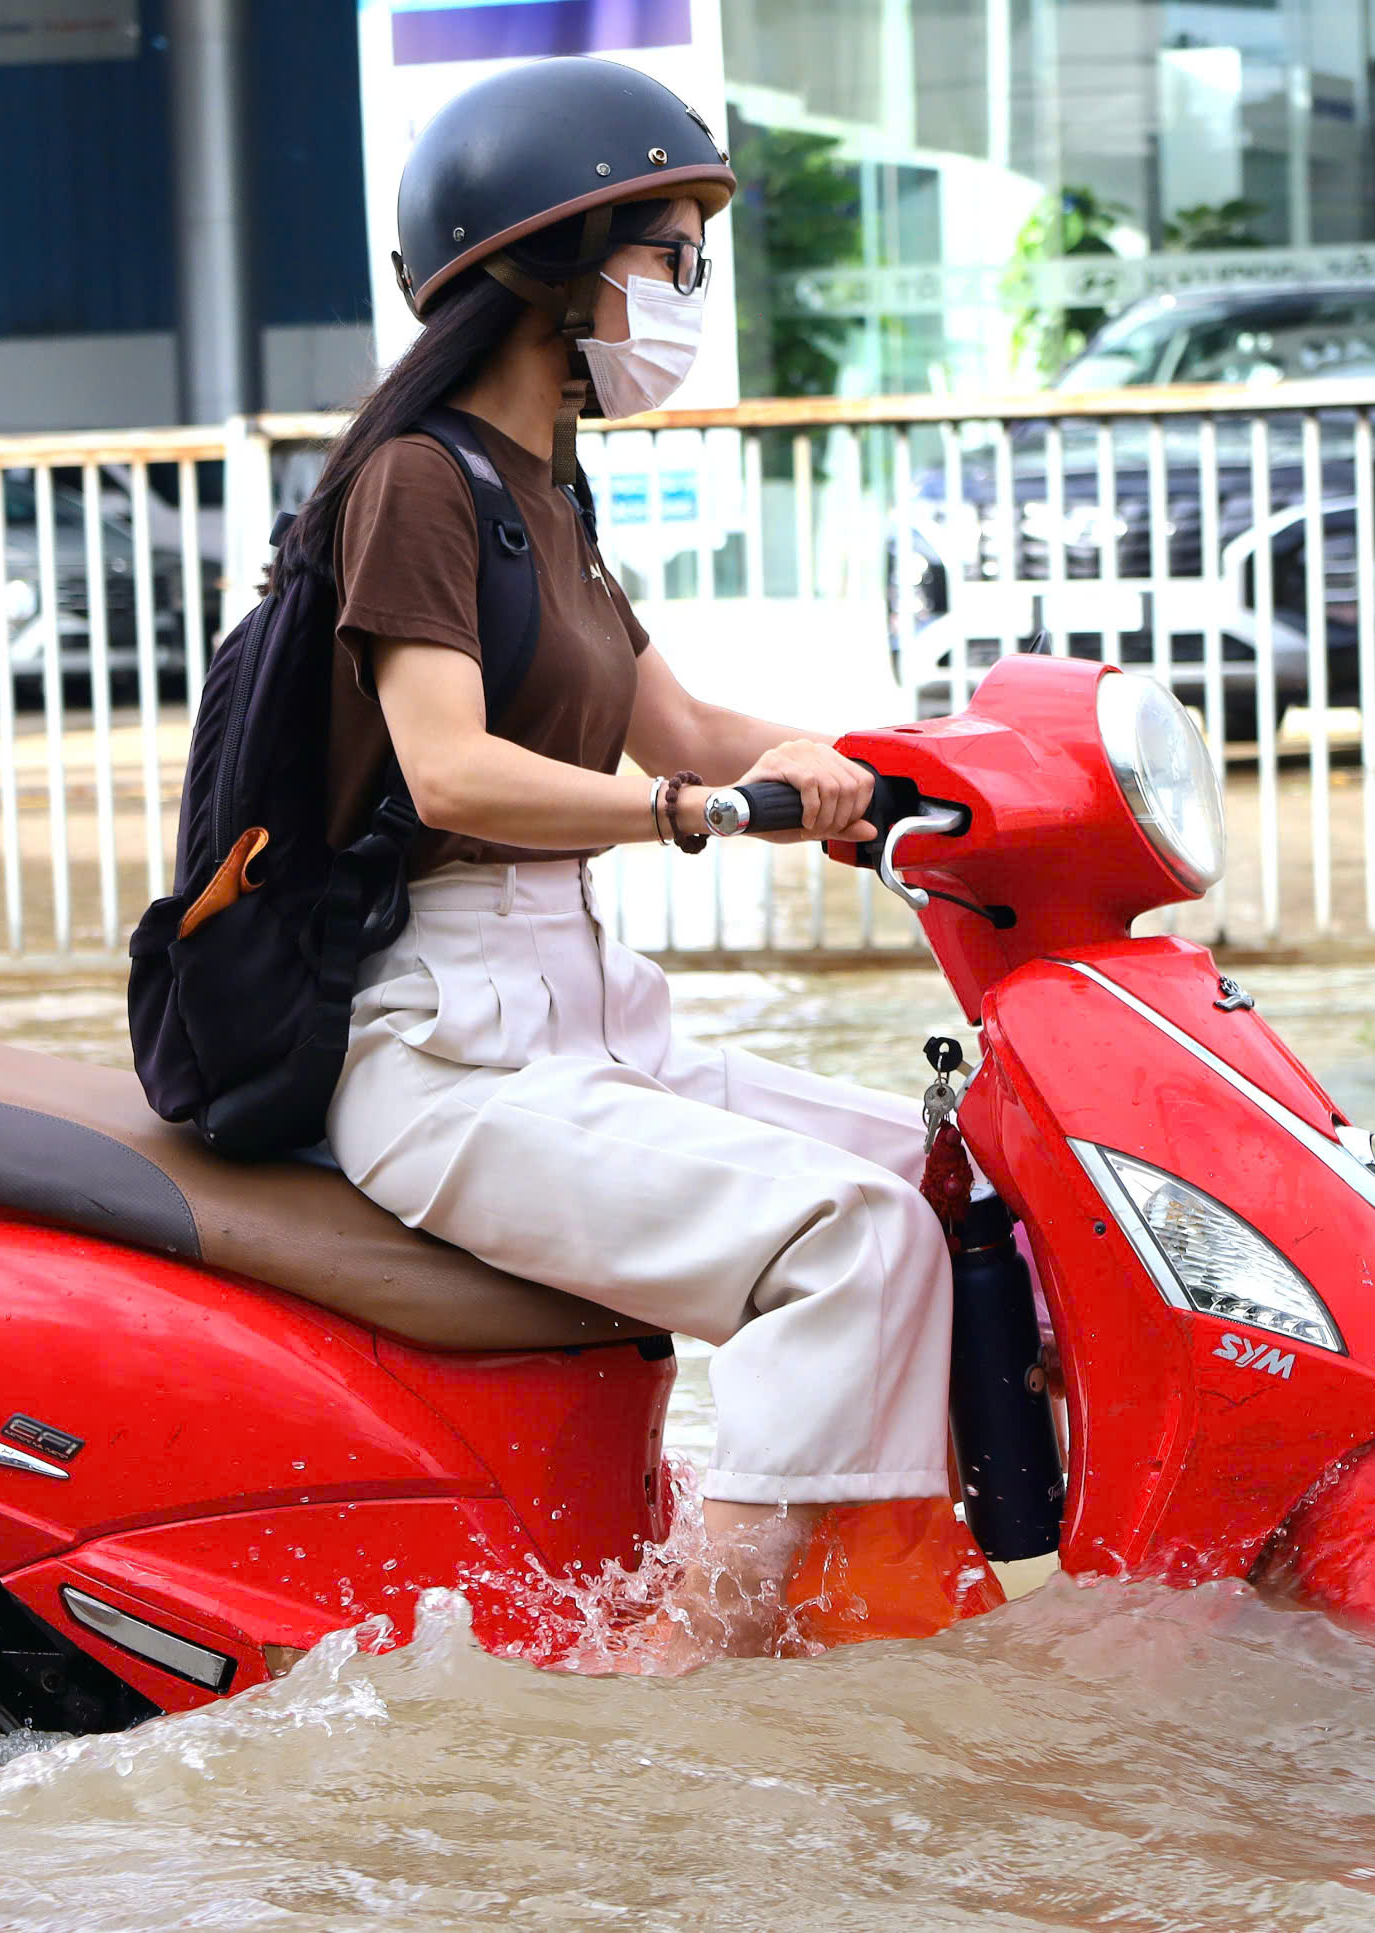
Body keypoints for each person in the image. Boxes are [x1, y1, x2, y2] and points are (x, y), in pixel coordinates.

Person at [275, 58, 952, 1663]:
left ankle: (907, 1599)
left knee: (948, 1173)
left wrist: (925, 777)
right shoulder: (414, 485)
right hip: (447, 1055)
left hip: (580, 1019)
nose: (684, 295)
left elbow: (697, 731)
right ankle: (693, 1666)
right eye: (669, 257)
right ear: (548, 262)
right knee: (842, 1238)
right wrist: (694, 820)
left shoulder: (548, 493)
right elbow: (449, 762)